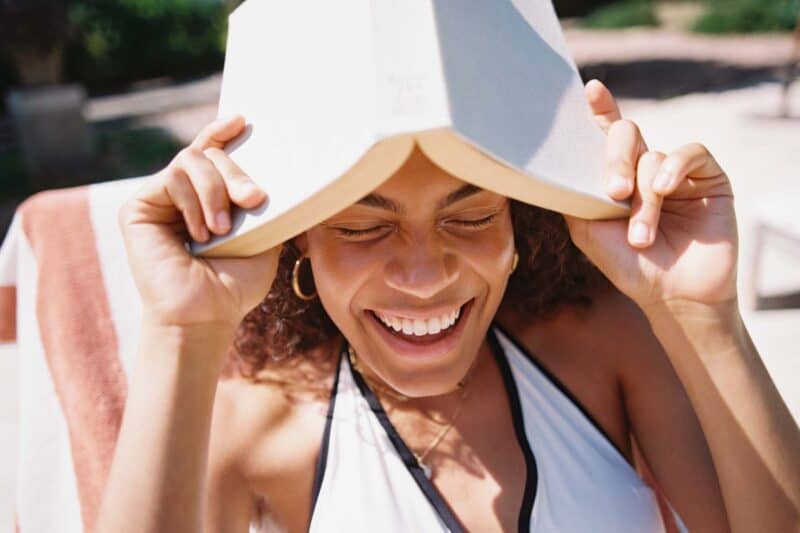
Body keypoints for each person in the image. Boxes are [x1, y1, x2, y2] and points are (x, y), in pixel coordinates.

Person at [96, 80, 800, 532]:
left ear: (520, 221)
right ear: (297, 238)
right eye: (363, 227)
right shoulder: (253, 425)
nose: (424, 274)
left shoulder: (605, 343)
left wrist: (702, 315)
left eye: (470, 216)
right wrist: (180, 329)